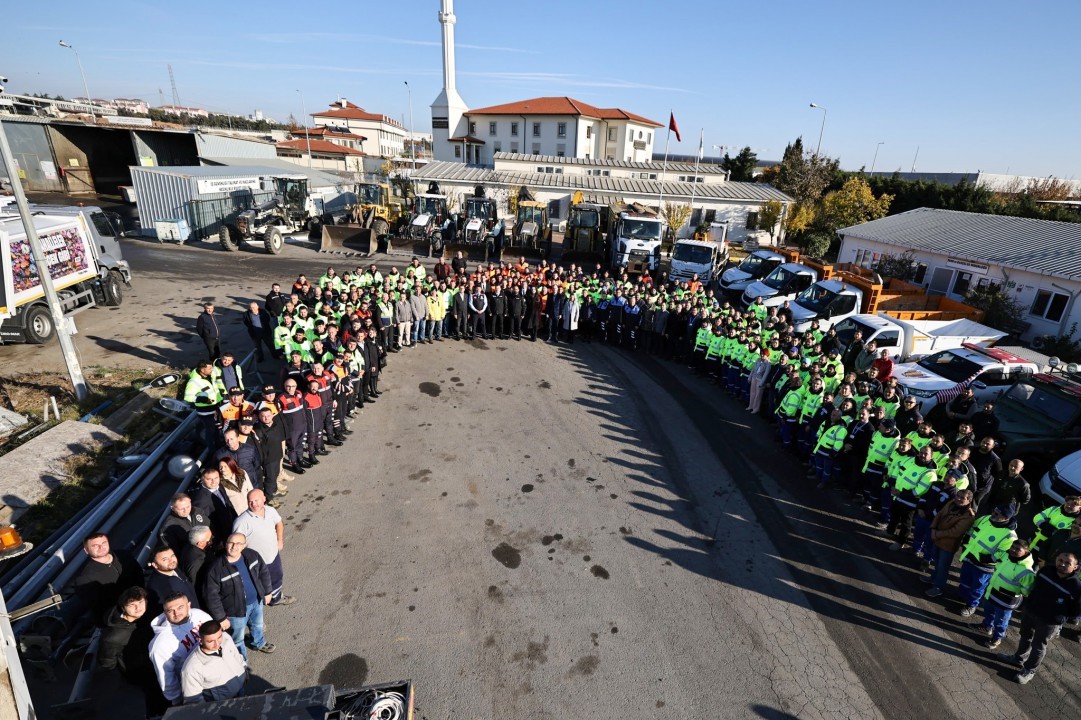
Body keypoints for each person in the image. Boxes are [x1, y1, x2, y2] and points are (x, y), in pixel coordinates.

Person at [1000, 552, 1081, 684]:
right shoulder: (1046, 571)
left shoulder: (1076, 586)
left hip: (1049, 622)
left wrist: (1059, 617)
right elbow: (1034, 587)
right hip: (1031, 611)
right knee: (1025, 636)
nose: (1062, 564)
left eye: (1068, 563)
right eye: (1060, 560)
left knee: (1038, 645)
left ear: (1075, 567)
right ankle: (1018, 658)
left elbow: (1076, 611)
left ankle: (1029, 670)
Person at [203, 533, 275, 658]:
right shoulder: (216, 569)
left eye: (238, 543)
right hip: (235, 612)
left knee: (258, 625)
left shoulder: (252, 555)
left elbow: (264, 572)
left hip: (256, 602)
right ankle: (241, 660)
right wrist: (220, 618)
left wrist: (268, 592)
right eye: (231, 543)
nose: (234, 546)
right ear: (226, 544)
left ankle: (258, 642)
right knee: (237, 637)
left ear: (244, 546)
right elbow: (211, 596)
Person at [99, 586, 166, 716]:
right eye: (132, 605)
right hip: (139, 670)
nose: (138, 608)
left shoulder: (147, 616)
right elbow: (107, 661)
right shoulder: (113, 635)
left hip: (154, 662)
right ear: (123, 607)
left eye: (141, 602)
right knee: (152, 697)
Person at [149, 592, 213, 708]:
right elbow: (165, 675)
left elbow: (219, 638)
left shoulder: (200, 615)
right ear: (165, 613)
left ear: (189, 605)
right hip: (194, 687)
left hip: (215, 671)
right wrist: (176, 699)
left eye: (180, 607)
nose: (176, 613)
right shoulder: (160, 644)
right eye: (170, 610)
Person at [233, 489, 295, 607]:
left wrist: (280, 540)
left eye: (256, 500)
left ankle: (276, 598)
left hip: (273, 555)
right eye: (250, 501)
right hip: (257, 563)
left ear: (264, 499)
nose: (254, 504)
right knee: (259, 584)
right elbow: (236, 543)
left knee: (277, 577)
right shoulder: (241, 522)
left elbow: (279, 523)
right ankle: (258, 606)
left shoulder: (271, 510)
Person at [956, 505, 1019, 617]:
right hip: (970, 557)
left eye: (996, 514)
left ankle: (971, 605)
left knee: (978, 587)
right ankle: (962, 595)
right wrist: (965, 543)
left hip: (984, 566)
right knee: (965, 579)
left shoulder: (1010, 536)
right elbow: (972, 530)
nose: (993, 515)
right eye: (994, 511)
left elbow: (1003, 553)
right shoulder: (985, 518)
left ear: (1005, 518)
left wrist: (986, 559)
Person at [72, 532, 143, 626]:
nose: (101, 547)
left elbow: (140, 576)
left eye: (103, 543)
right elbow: (98, 607)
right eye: (95, 546)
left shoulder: (124, 556)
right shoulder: (84, 578)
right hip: (118, 622)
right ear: (86, 550)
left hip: (142, 607)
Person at [976, 538, 1035, 649]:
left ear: (1026, 552)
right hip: (992, 593)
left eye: (1018, 549)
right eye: (1012, 547)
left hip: (1006, 601)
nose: (1013, 550)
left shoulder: (1026, 571)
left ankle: (997, 637)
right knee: (988, 611)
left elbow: (1026, 591)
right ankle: (986, 627)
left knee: (1001, 621)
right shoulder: (1005, 556)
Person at [180, 620, 247, 704]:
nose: (217, 644)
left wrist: (244, 670)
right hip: (223, 703)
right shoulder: (191, 669)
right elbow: (193, 699)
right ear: (200, 640)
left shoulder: (226, 638)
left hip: (241, 688)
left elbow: (237, 656)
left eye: (219, 637)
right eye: (210, 641)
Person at [925, 488, 977, 597]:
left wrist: (936, 534)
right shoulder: (951, 503)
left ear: (969, 501)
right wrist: (933, 528)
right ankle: (934, 578)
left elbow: (955, 532)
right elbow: (939, 515)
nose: (958, 499)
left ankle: (938, 587)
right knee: (936, 560)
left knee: (943, 567)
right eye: (957, 496)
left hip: (948, 545)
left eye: (962, 498)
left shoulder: (969, 516)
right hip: (936, 538)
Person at [145, 545, 200, 617]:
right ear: (155, 565)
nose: (171, 560)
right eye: (165, 559)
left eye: (172, 556)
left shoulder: (174, 568)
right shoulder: (158, 586)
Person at [189, 467, 239, 546]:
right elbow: (204, 524)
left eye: (216, 478)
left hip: (232, 526)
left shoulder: (219, 486)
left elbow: (227, 503)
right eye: (209, 479)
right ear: (202, 480)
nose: (214, 482)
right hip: (222, 537)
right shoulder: (200, 499)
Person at [180, 526, 213, 607]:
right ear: (200, 543)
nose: (212, 540)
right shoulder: (197, 561)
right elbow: (196, 584)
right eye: (210, 540)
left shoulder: (188, 546)